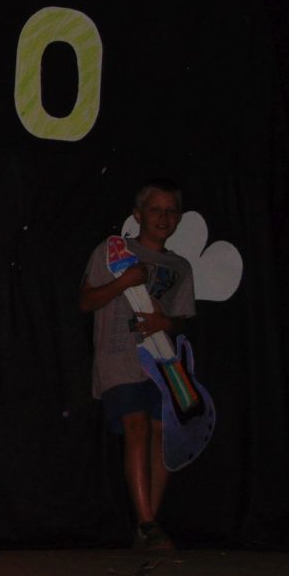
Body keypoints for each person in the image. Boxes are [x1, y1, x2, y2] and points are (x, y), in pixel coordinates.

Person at [78, 179, 195, 551]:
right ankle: (146, 522)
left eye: (171, 211)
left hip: (162, 363)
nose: (163, 217)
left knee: (161, 435)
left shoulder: (180, 266)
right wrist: (124, 282)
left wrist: (166, 322)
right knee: (137, 427)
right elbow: (86, 302)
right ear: (138, 215)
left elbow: (182, 319)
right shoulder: (113, 252)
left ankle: (148, 525)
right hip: (119, 358)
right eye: (155, 210)